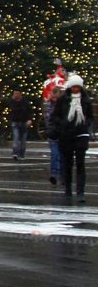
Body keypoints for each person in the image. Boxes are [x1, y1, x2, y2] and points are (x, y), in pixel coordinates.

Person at [49, 74, 93, 202]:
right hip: (66, 134)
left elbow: (90, 116)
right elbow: (55, 115)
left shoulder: (85, 99)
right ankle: (68, 190)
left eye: (78, 87)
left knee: (80, 163)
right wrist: (62, 123)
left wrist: (86, 124)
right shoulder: (63, 99)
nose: (75, 89)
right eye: (74, 87)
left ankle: (80, 192)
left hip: (81, 134)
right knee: (67, 163)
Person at [43, 85, 64, 185]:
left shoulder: (63, 104)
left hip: (62, 132)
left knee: (62, 155)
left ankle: (62, 175)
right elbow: (48, 117)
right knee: (55, 154)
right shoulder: (48, 105)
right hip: (53, 133)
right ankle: (54, 174)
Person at [8, 88, 32, 160]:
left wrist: (29, 119)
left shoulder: (25, 102)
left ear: (20, 94)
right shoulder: (12, 101)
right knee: (16, 137)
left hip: (24, 122)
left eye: (17, 93)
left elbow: (29, 110)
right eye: (14, 93)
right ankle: (15, 153)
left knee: (23, 140)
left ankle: (22, 154)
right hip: (15, 122)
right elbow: (12, 110)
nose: (15, 95)